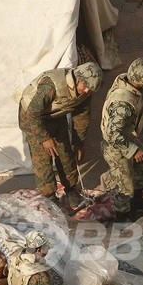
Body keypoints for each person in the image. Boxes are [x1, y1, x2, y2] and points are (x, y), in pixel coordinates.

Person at [18, 62, 103, 209]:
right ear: (78, 79)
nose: (88, 91)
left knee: (65, 154)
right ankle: (50, 197)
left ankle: (71, 189)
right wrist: (44, 138)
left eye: (91, 89)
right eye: (86, 86)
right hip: (32, 117)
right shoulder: (51, 85)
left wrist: (78, 143)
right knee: (43, 159)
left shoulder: (86, 91)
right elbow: (33, 113)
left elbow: (82, 117)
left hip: (55, 115)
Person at [100, 57, 143, 222]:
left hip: (127, 136)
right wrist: (132, 150)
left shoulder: (129, 82)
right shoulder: (123, 102)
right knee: (124, 186)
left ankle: (136, 201)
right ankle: (122, 220)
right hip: (116, 145)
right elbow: (112, 133)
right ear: (142, 83)